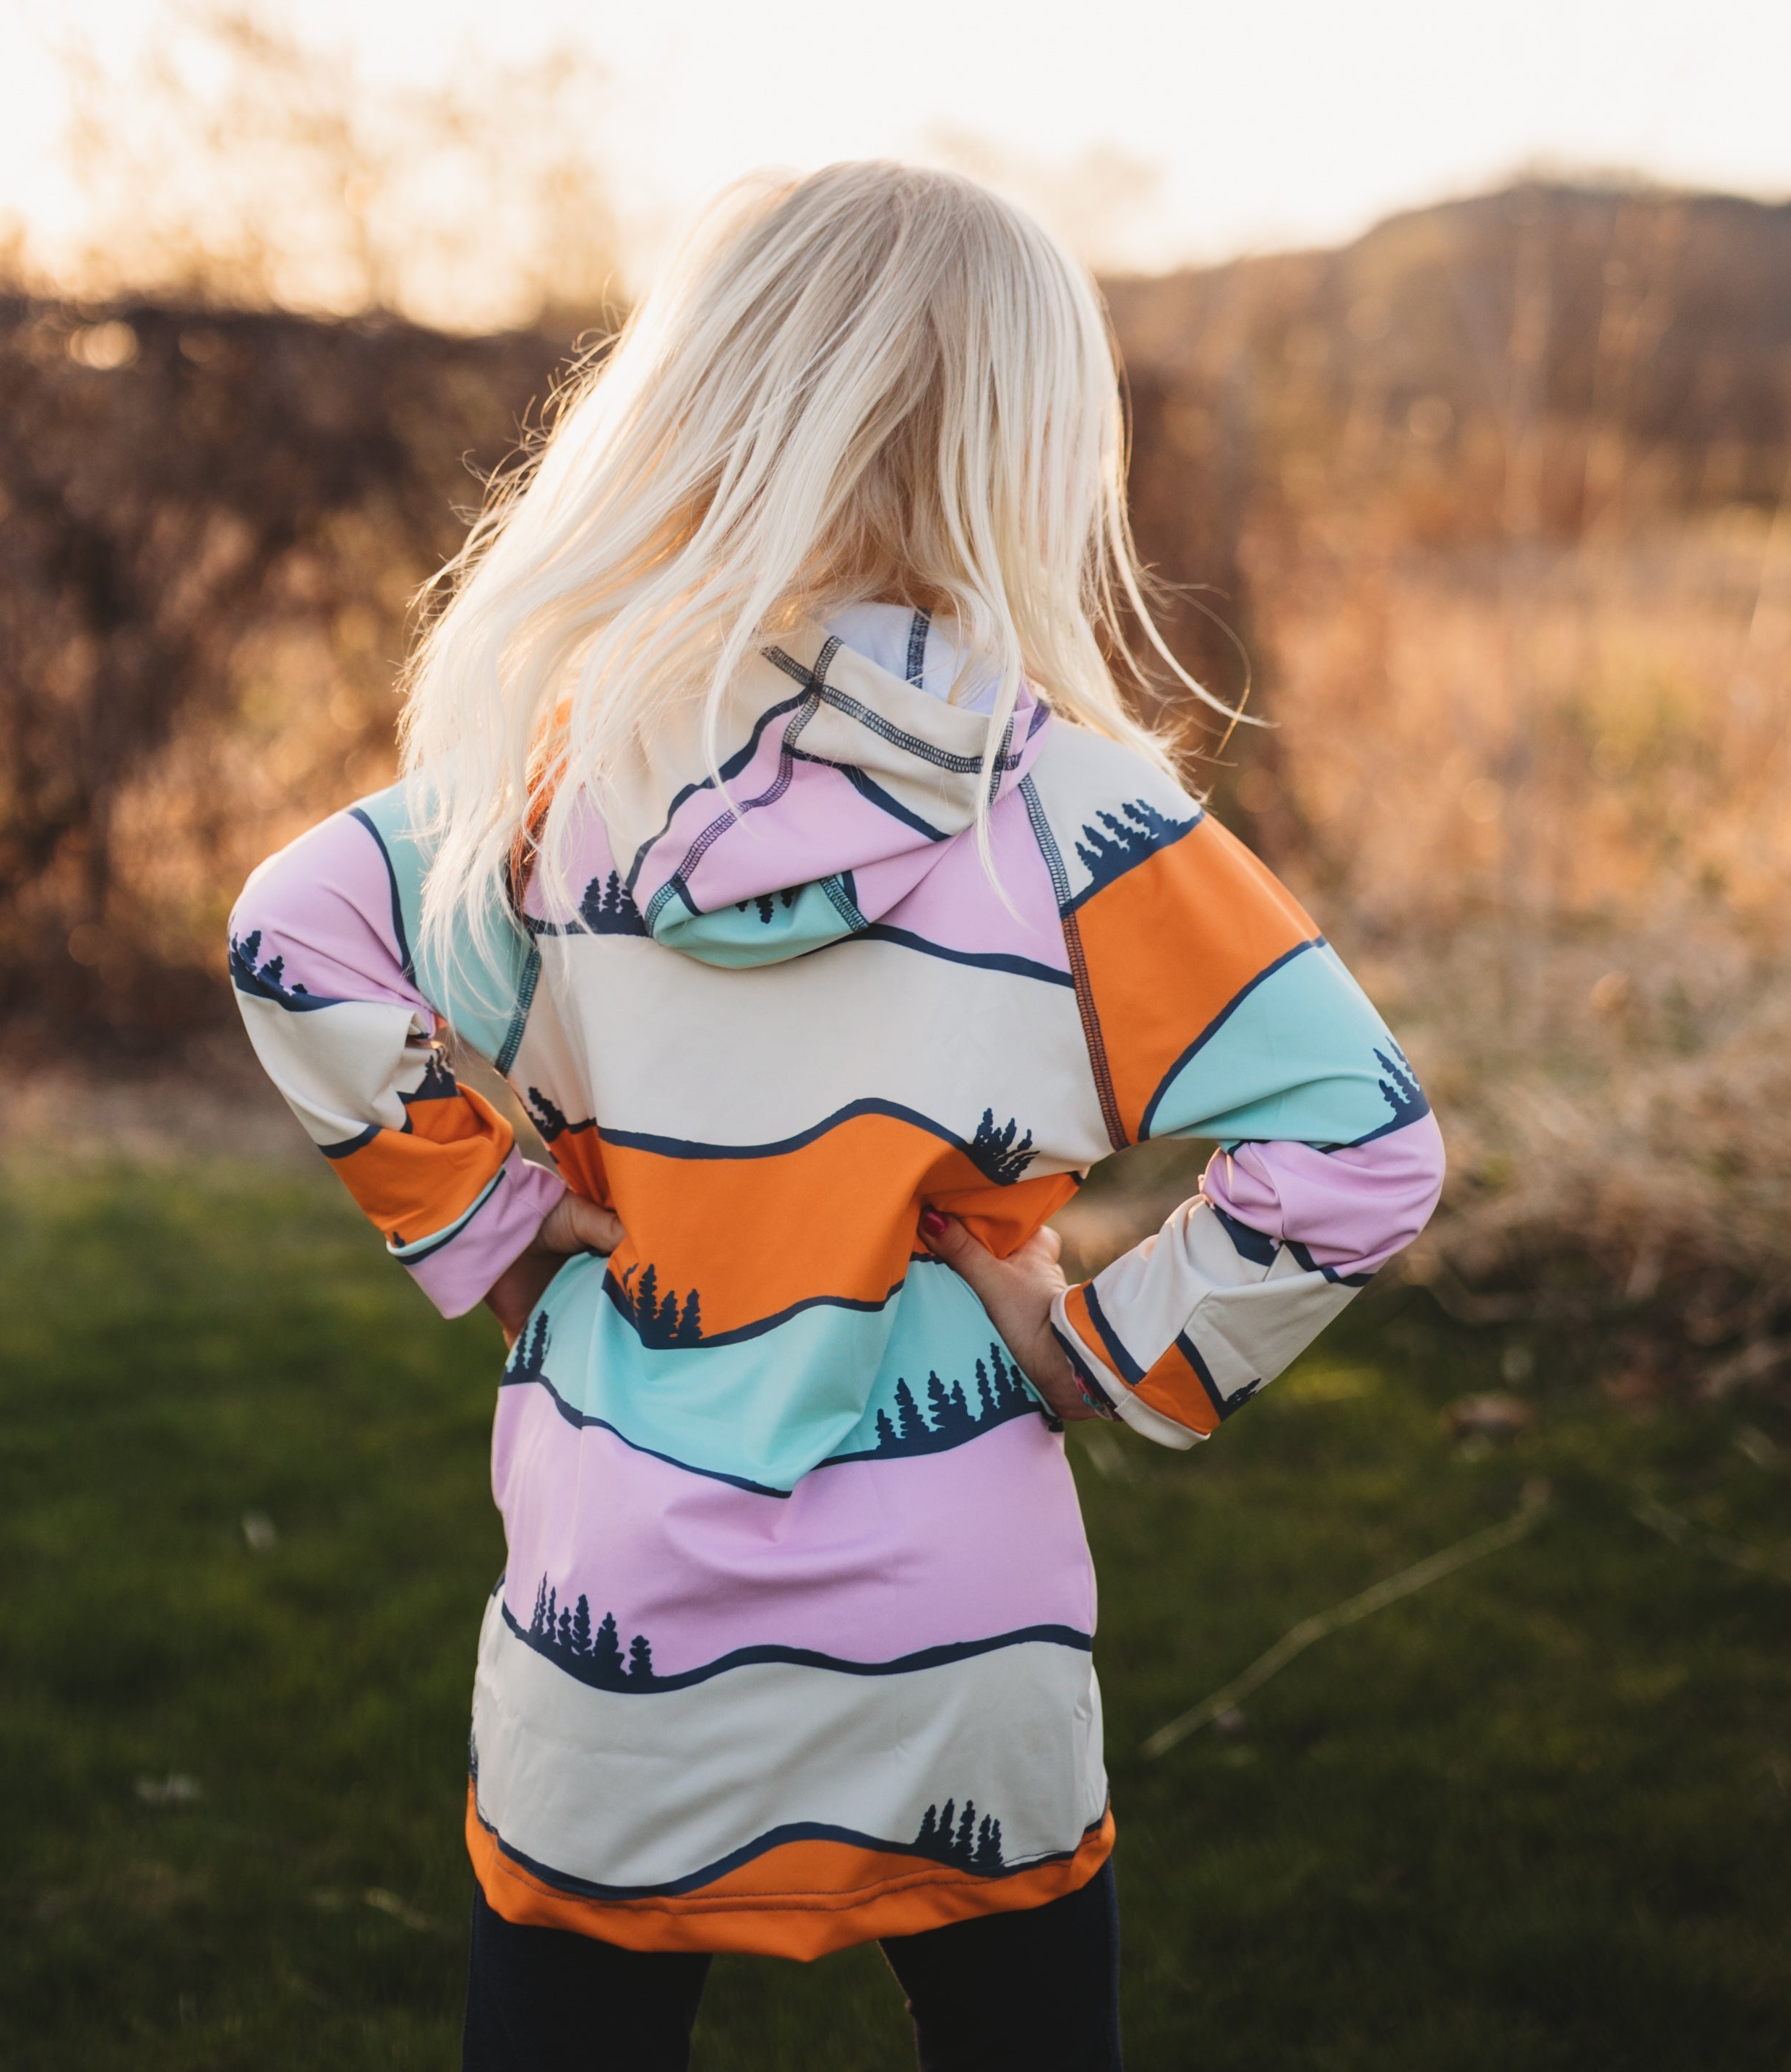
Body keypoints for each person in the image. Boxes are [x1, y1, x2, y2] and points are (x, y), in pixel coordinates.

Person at [228, 160, 1444, 2072]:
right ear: (1034, 448)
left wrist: (487, 1211)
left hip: (618, 1602)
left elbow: (290, 932)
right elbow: (1364, 1145)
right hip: (964, 1626)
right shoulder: (1084, 821)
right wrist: (1104, 1348)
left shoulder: (572, 773)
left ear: (701, 403)